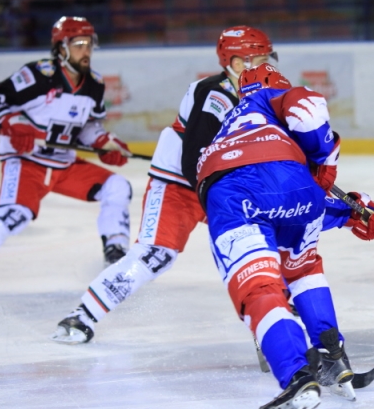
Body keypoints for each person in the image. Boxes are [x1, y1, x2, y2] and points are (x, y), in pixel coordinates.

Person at [195, 63, 374, 409]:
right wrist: (353, 207)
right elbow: (306, 113)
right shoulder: (275, 106)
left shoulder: (233, 124)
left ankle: (298, 374)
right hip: (298, 194)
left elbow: (258, 182)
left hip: (231, 194)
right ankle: (332, 353)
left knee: (259, 287)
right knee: (302, 266)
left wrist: (326, 174)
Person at [52, 25, 275, 343]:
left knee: (259, 239)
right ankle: (83, 315)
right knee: (156, 254)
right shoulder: (215, 95)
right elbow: (195, 154)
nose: (269, 67)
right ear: (238, 63)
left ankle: (275, 308)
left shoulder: (255, 94)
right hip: (180, 186)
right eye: (262, 60)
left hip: (218, 186)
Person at [0, 16, 132, 292]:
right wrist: (11, 123)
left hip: (64, 166)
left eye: (89, 44)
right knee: (14, 214)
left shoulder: (94, 84)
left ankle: (116, 248)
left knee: (117, 186)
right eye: (79, 44)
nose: (86, 51)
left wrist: (106, 143)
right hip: (26, 162)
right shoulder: (38, 75)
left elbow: (89, 127)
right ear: (61, 48)